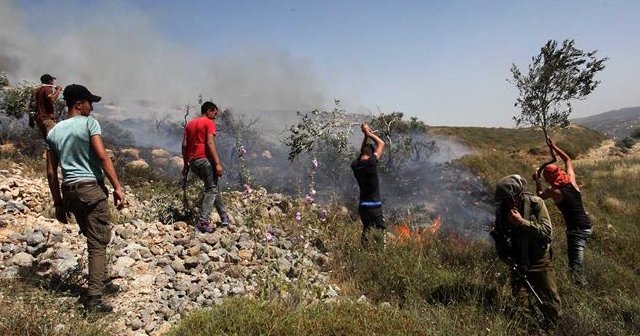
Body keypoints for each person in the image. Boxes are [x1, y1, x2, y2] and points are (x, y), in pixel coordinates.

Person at [45, 84, 125, 313]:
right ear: (78, 104)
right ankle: (94, 300)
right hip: (90, 189)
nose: (92, 107)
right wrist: (118, 187)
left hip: (69, 191)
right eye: (90, 102)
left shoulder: (53, 132)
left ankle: (101, 281)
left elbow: (51, 172)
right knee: (98, 243)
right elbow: (101, 156)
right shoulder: (90, 123)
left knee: (92, 237)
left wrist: (58, 203)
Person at [492, 174, 561, 329]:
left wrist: (521, 222)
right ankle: (528, 330)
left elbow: (547, 232)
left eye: (509, 199)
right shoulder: (502, 210)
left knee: (550, 302)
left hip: (539, 261)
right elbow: (500, 236)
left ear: (518, 195)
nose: (506, 203)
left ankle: (551, 329)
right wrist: (505, 257)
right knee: (521, 307)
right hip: (517, 262)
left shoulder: (536, 203)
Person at [535, 138, 593, 285]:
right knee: (576, 263)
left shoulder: (554, 191)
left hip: (577, 230)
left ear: (549, 179)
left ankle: (581, 291)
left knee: (576, 268)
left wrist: (537, 181)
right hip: (587, 226)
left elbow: (540, 196)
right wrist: (554, 146)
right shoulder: (571, 181)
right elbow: (567, 159)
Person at [182, 101, 230, 233]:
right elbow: (209, 142)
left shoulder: (190, 124)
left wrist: (186, 164)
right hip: (204, 160)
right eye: (215, 113)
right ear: (208, 111)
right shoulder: (209, 122)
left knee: (213, 187)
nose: (215, 116)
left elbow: (185, 145)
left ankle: (224, 217)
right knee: (211, 189)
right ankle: (203, 221)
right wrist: (217, 163)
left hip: (193, 162)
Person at [351, 123, 386, 246]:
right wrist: (368, 133)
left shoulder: (355, 165)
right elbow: (382, 144)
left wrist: (365, 136)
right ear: (372, 154)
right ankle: (380, 256)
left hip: (363, 207)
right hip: (375, 207)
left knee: (366, 230)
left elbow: (362, 152)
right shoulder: (371, 163)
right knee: (380, 234)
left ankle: (363, 253)